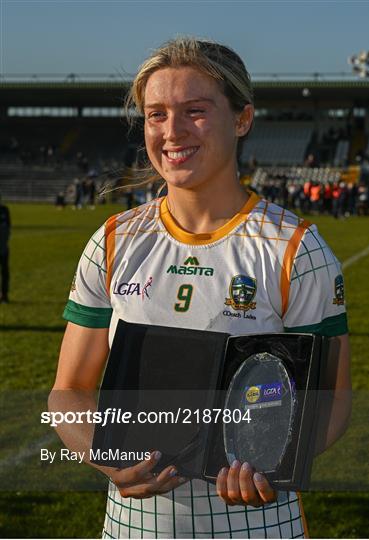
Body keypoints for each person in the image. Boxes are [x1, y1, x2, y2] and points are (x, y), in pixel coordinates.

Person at [49, 37, 351, 539]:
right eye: (156, 115)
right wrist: (106, 456)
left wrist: (269, 460)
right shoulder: (113, 242)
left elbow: (332, 401)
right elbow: (69, 392)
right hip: (131, 529)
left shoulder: (297, 249)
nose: (172, 132)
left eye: (195, 111)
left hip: (256, 527)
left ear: (242, 119)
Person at [0, 194, 11, 304]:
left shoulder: (4, 210)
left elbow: (8, 227)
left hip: (3, 248)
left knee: (5, 273)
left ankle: (4, 295)